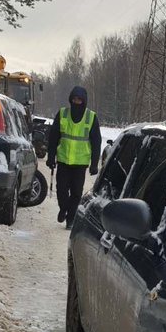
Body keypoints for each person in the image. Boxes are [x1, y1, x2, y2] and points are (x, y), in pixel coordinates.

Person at [46, 86, 101, 228]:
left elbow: (96, 142)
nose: (76, 102)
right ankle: (63, 209)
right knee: (62, 190)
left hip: (80, 163)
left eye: (79, 100)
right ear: (71, 99)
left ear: (84, 101)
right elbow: (53, 137)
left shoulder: (91, 117)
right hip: (63, 161)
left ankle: (70, 219)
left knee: (76, 193)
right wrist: (51, 157)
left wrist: (94, 163)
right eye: (74, 99)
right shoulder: (63, 114)